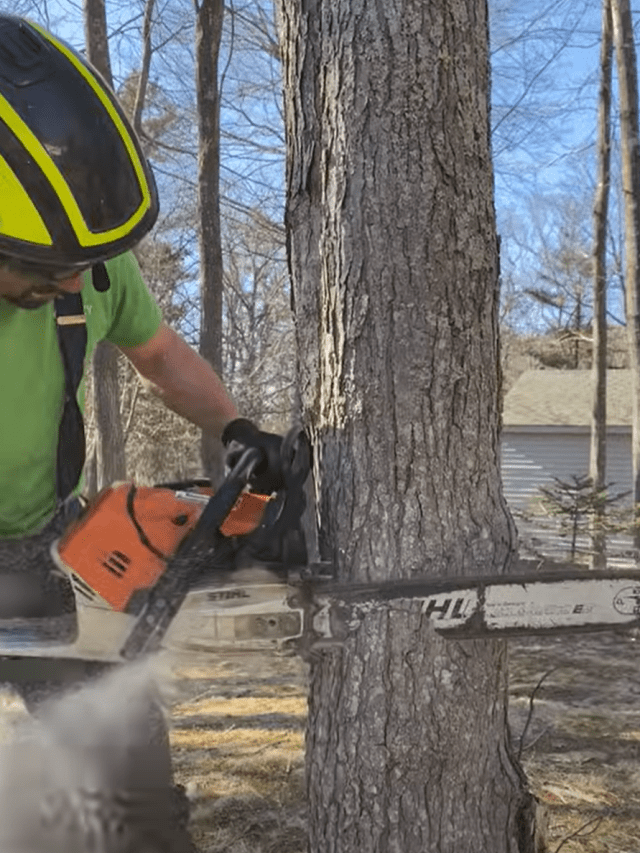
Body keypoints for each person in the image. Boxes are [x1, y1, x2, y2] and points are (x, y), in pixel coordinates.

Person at [0, 13, 276, 853]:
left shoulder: (88, 264)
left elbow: (160, 353)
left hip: (39, 541)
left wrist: (234, 426)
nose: (72, 283)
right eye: (44, 272)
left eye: (79, 269)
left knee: (127, 776)